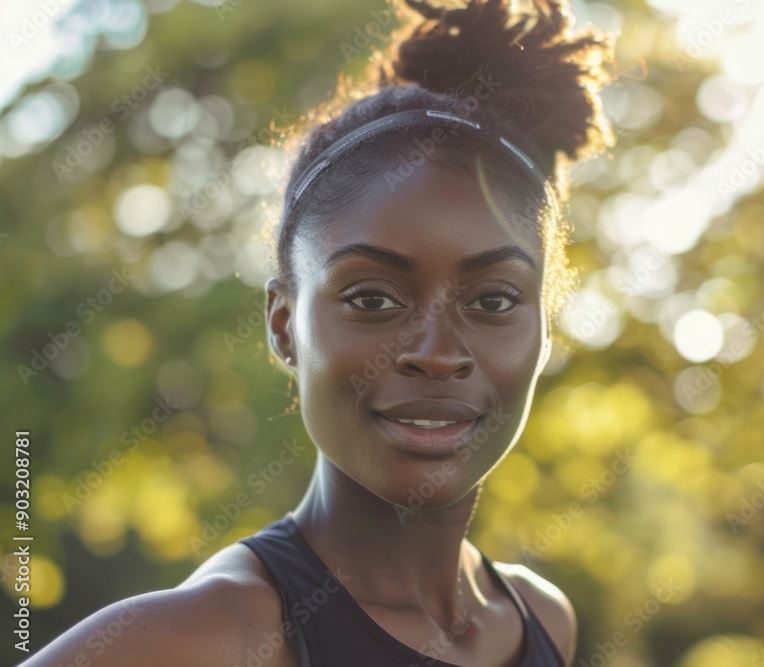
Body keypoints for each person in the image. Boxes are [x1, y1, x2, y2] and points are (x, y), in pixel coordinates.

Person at [21, 0, 615, 664]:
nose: (437, 351)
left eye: (495, 299)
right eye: (372, 297)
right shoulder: (205, 638)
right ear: (283, 326)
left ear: (545, 326)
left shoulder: (542, 619)